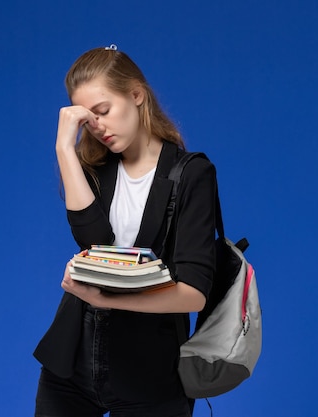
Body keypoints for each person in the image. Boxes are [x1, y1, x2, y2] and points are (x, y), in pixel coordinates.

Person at [33, 44, 217, 417]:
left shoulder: (191, 174)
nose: (97, 127)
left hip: (151, 371)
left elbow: (194, 293)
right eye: (88, 120)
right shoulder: (95, 167)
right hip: (72, 361)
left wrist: (107, 300)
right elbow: (94, 244)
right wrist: (64, 150)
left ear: (136, 94)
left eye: (103, 111)